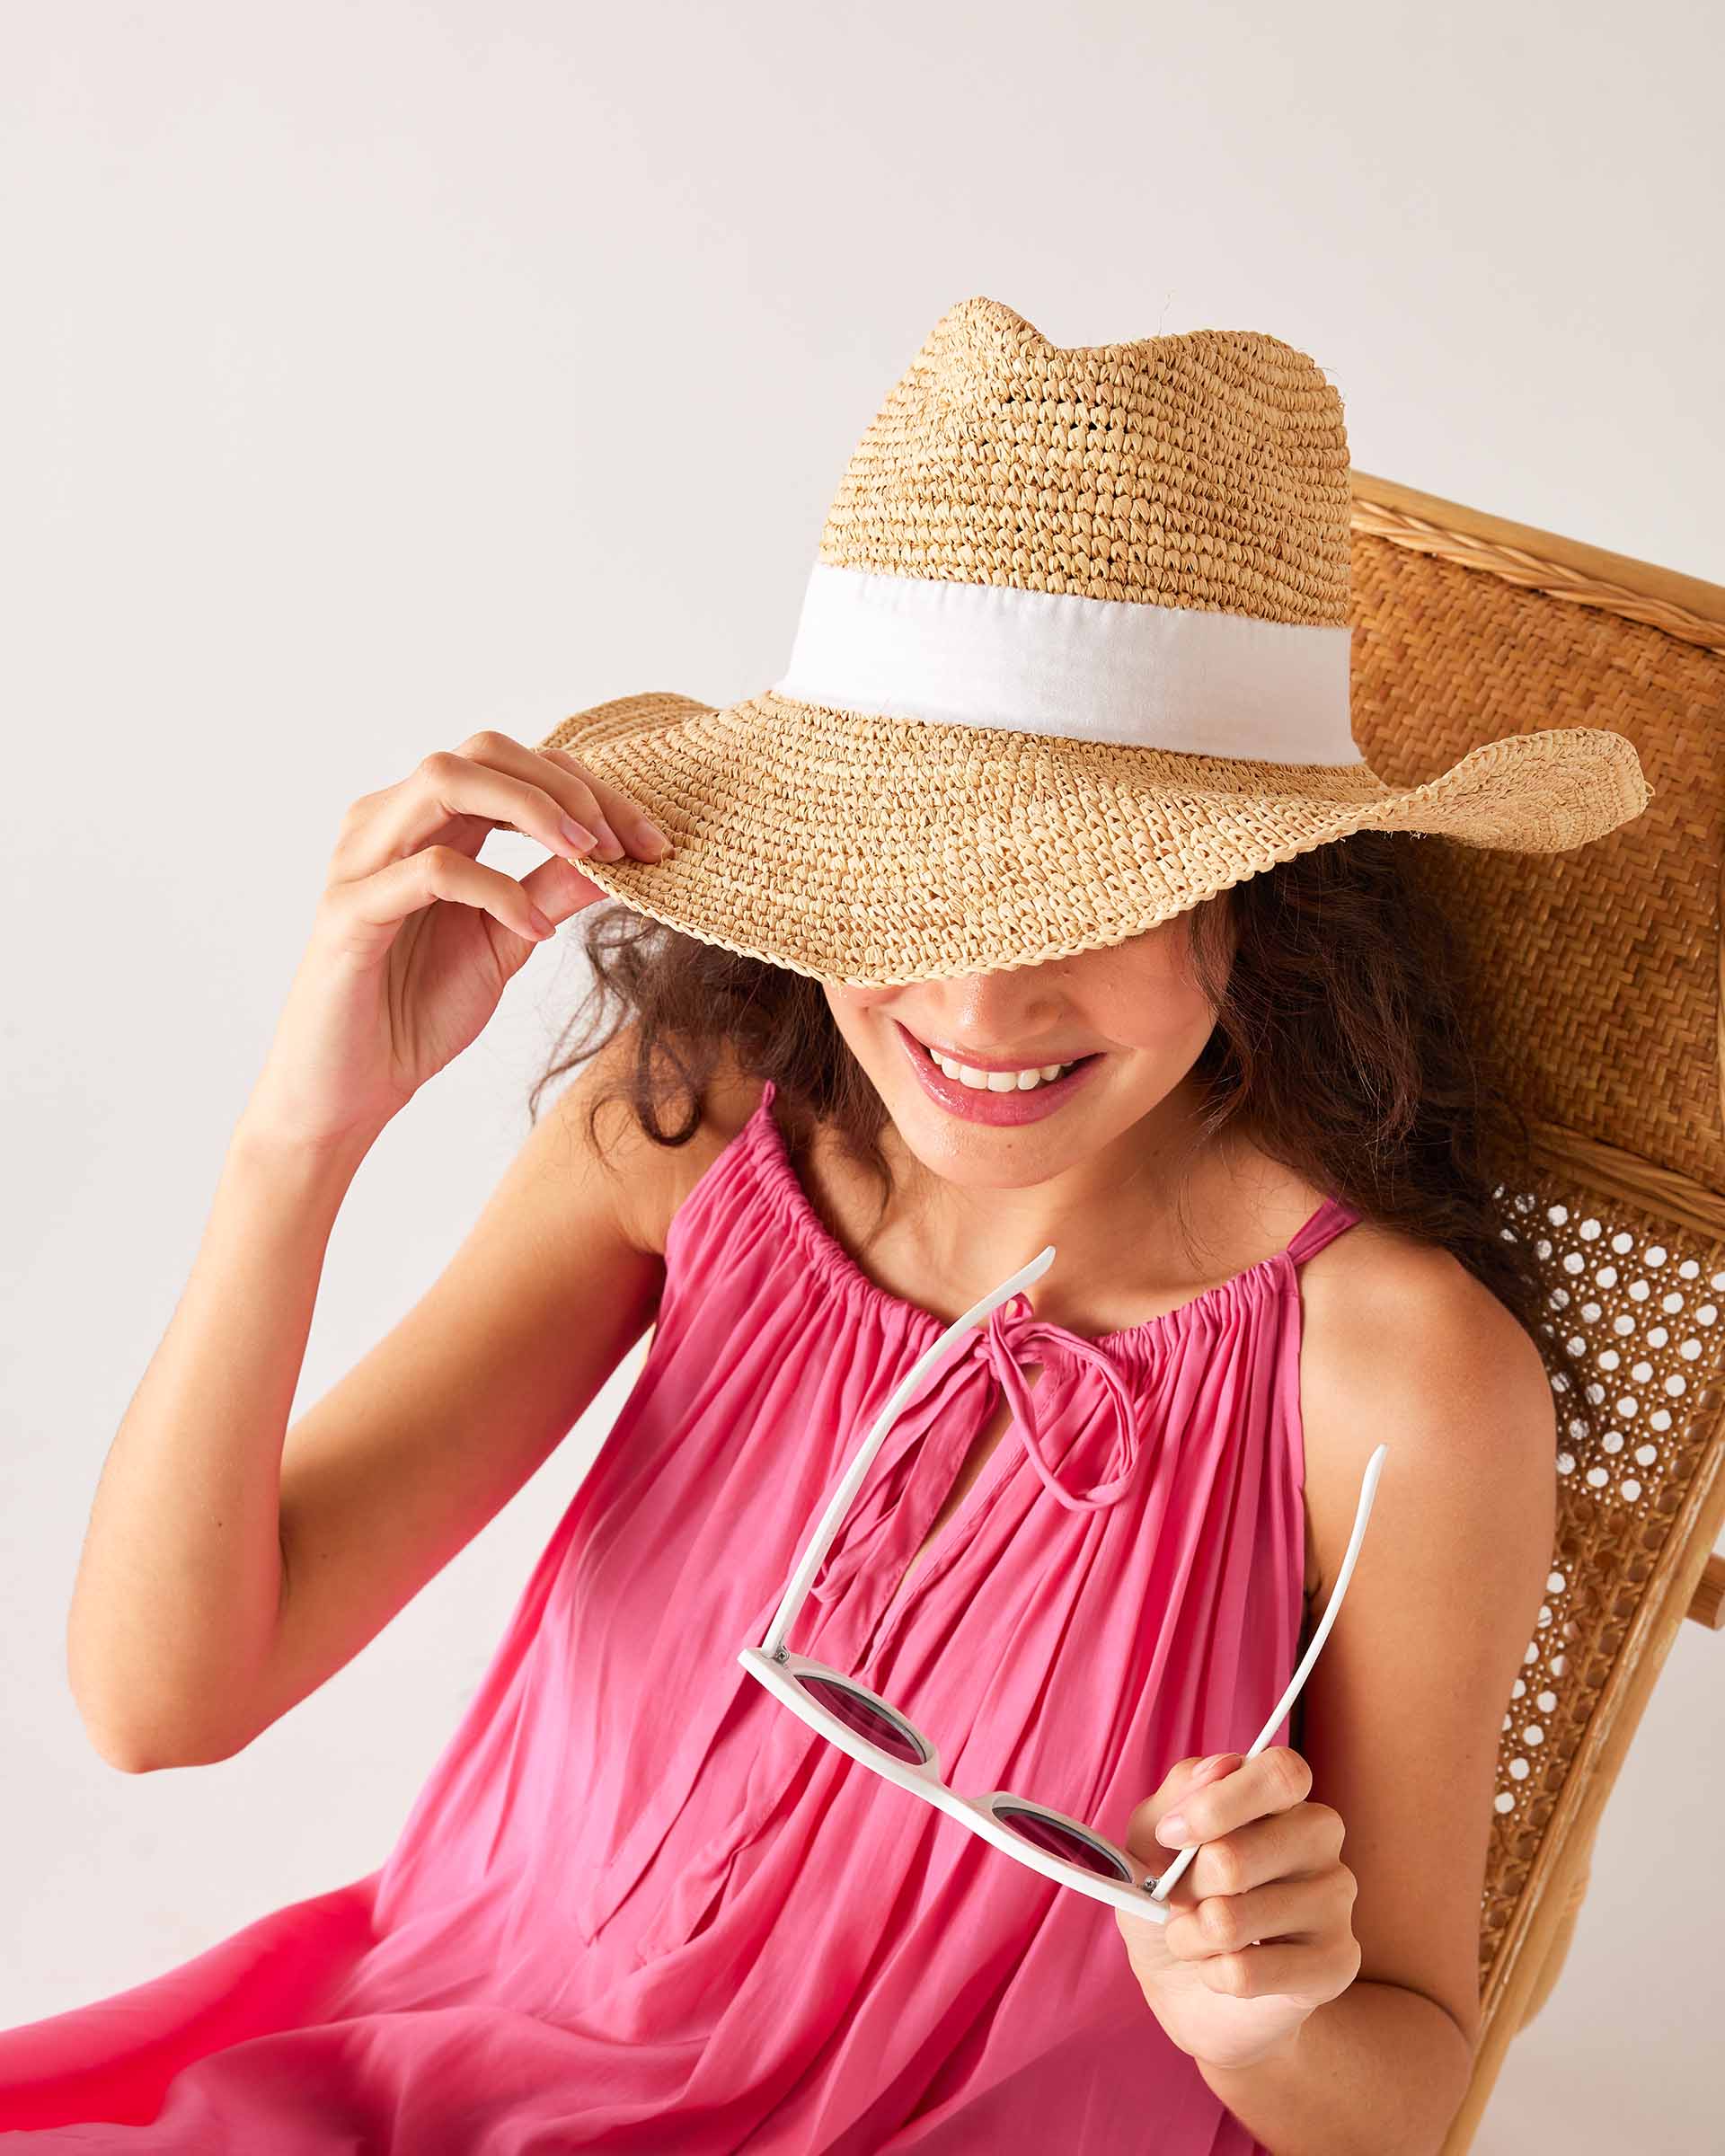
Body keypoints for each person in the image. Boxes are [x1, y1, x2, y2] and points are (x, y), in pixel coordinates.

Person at [0, 294, 1651, 2152]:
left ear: (1260, 896)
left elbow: (1403, 2085)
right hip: (429, 2075)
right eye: (909, 873)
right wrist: (304, 1136)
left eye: (1097, 886)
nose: (981, 1003)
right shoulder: (694, 1143)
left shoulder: (1397, 1375)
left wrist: (1260, 2017)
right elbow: (159, 1704)